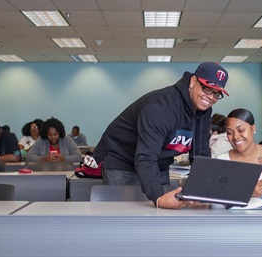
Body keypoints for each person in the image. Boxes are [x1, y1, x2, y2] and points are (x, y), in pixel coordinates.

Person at [86, 62, 229, 209]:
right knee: (125, 220)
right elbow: (145, 157)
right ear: (193, 82)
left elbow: (201, 154)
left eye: (217, 93)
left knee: (164, 218)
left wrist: (203, 191)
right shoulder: (160, 107)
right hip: (123, 165)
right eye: (207, 89)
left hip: (159, 166)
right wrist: (158, 197)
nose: (211, 97)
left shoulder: (203, 111)